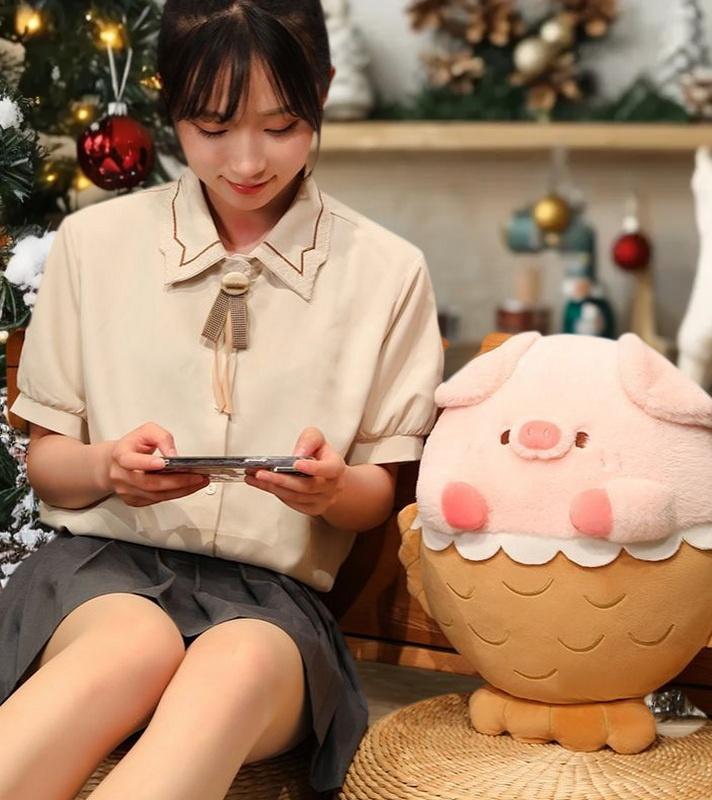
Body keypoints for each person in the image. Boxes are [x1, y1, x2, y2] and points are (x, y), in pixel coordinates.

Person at [0, 2, 443, 798]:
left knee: (232, 670)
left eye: (282, 125)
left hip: (274, 606)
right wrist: (107, 467)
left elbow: (381, 492)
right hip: (101, 573)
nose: (246, 160)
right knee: (129, 648)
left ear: (322, 91)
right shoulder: (93, 244)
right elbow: (48, 463)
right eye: (211, 126)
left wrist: (332, 489)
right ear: (169, 101)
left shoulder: (389, 271)